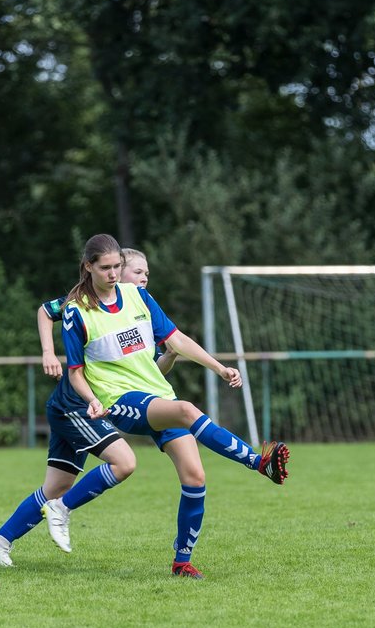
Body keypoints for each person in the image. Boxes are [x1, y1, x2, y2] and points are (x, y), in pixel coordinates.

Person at [47, 233, 290, 579]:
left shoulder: (138, 297)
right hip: (120, 400)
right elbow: (75, 374)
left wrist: (220, 367)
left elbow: (176, 340)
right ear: (88, 268)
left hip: (157, 395)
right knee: (188, 410)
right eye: (107, 268)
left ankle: (182, 562)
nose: (114, 273)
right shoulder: (77, 312)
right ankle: (257, 462)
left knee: (195, 477)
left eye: (118, 266)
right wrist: (93, 401)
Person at [0, 247, 175, 570]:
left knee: (56, 486)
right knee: (124, 461)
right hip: (76, 406)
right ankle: (62, 510)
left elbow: (152, 371)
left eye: (146, 275)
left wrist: (171, 354)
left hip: (84, 406)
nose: (143, 279)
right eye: (137, 272)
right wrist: (47, 352)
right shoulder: (83, 303)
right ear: (108, 270)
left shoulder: (137, 309)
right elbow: (45, 311)